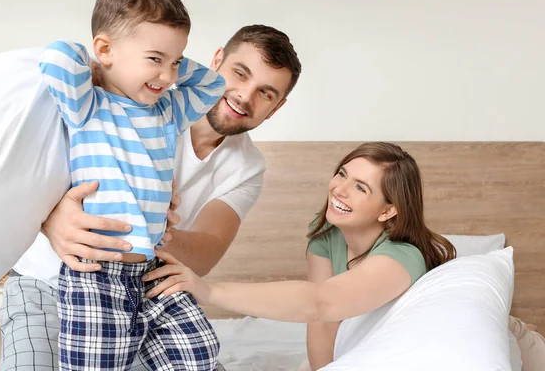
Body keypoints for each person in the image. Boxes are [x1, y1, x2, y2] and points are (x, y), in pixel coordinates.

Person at [0, 23, 302, 370]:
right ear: (216, 60)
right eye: (239, 73)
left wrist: (152, 219)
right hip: (46, 282)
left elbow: (203, 256)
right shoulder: (123, 96)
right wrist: (53, 220)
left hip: (141, 290)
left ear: (276, 107)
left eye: (266, 93)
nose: (244, 96)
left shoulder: (246, 166)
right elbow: (20, 179)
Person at [38, 0, 227, 370]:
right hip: (97, 273)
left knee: (198, 351)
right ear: (105, 49)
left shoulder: (167, 112)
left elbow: (213, 83)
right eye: (155, 59)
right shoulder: (87, 105)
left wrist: (166, 56)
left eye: (175, 62)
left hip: (153, 267)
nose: (169, 76)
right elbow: (56, 57)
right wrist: (98, 67)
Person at [139, 142, 457, 371]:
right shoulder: (327, 235)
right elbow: (320, 321)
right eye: (342, 174)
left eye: (360, 188)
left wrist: (209, 290)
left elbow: (320, 301)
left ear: (388, 210)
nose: (339, 189)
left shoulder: (403, 257)